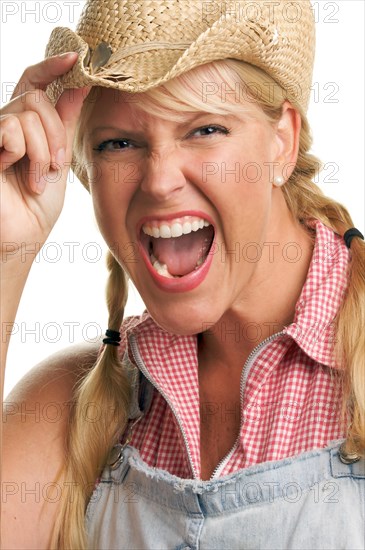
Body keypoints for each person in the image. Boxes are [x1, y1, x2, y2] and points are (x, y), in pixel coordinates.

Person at [1, 1, 364, 548]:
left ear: (282, 141)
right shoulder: (70, 410)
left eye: (205, 129)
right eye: (118, 143)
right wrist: (7, 252)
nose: (160, 180)